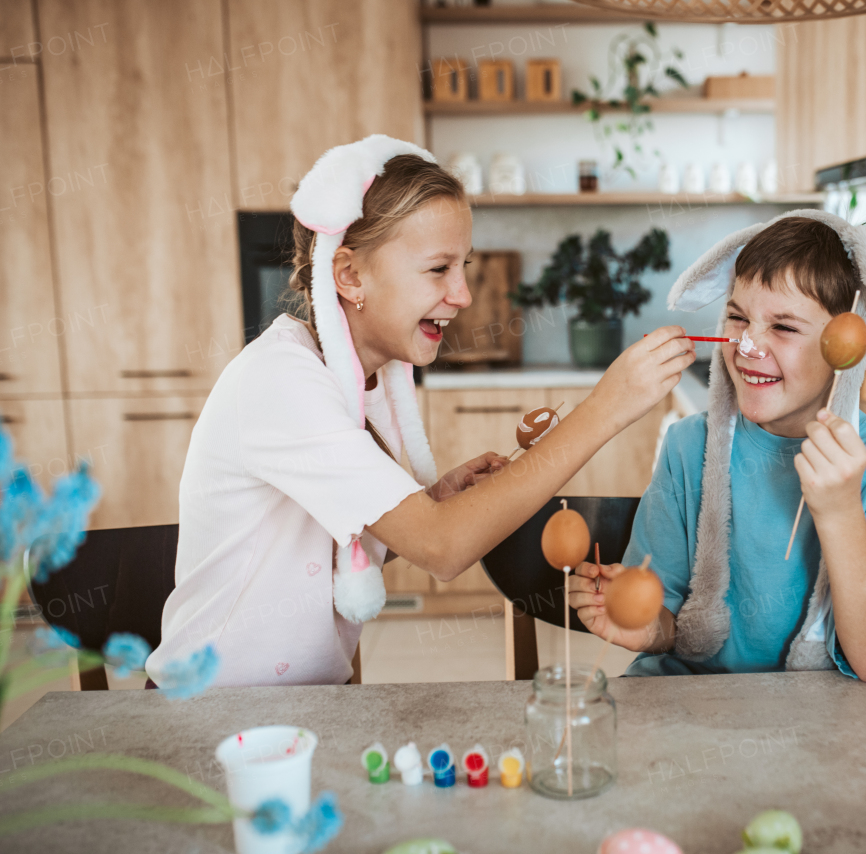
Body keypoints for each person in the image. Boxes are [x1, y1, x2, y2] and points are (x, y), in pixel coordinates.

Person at [146, 136, 694, 687]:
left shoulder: (369, 380)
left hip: (302, 708)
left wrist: (429, 504)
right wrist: (606, 407)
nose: (463, 295)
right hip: (213, 713)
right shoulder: (280, 382)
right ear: (350, 275)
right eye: (438, 269)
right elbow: (442, 547)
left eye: (464, 267)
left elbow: (360, 546)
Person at [568, 213, 866, 680]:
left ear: (859, 350)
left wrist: (840, 510)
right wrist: (647, 629)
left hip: (815, 723)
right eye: (738, 317)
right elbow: (667, 623)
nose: (747, 346)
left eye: (784, 328)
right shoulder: (689, 447)